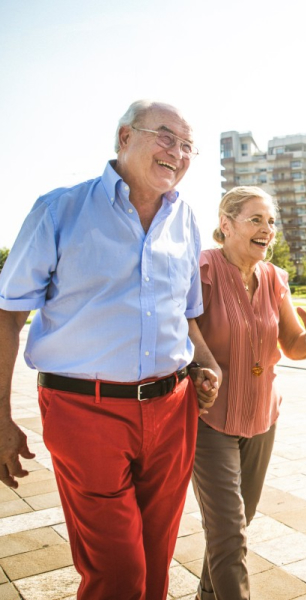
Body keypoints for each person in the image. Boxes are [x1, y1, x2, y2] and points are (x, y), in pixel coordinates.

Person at [0, 100, 221, 600]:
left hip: (171, 409)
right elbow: (8, 313)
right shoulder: (59, 209)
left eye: (188, 145)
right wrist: (0, 415)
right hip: (84, 410)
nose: (178, 153)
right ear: (125, 137)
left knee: (157, 564)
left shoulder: (184, 218)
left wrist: (204, 362)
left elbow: (186, 313)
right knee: (119, 574)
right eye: (166, 137)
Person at [191, 186, 306, 600]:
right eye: (256, 219)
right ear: (226, 224)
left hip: (262, 419)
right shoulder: (201, 269)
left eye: (271, 221)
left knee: (238, 523)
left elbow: (292, 345)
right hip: (209, 420)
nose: (267, 229)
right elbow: (181, 332)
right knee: (228, 531)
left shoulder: (275, 278)